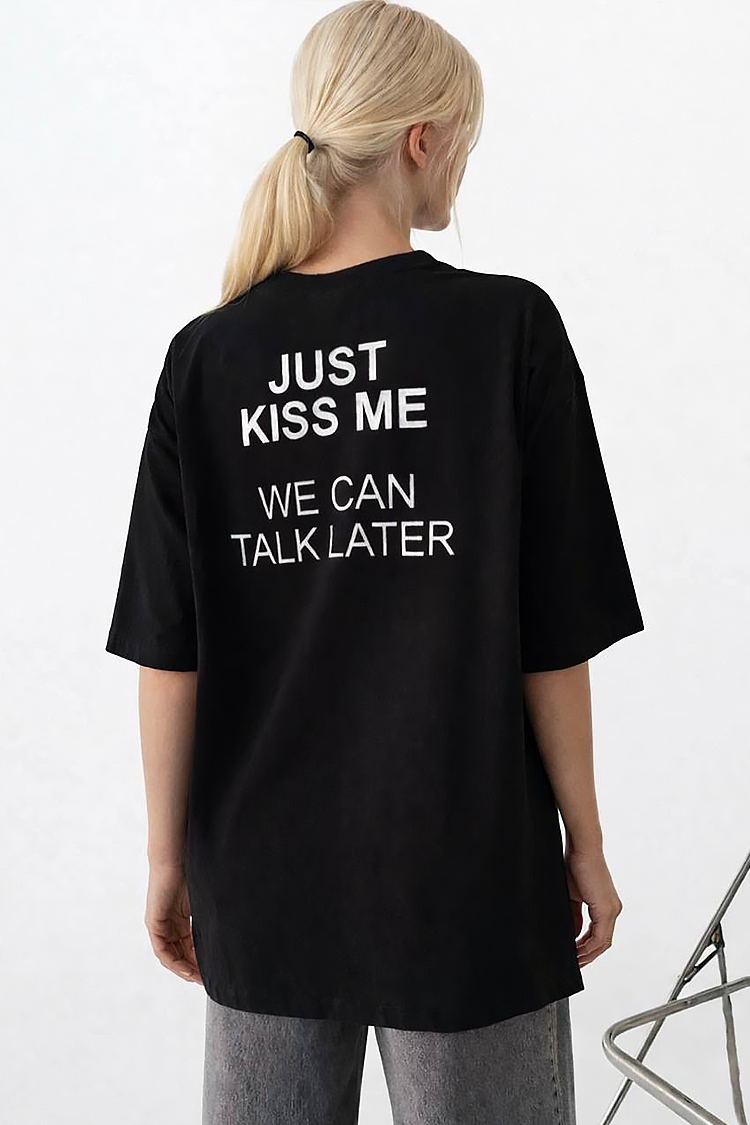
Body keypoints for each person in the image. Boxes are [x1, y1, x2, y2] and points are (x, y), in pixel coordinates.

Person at [105, 2, 644, 1122]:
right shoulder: (507, 331)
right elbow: (553, 633)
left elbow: (169, 648)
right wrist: (585, 840)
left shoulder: (206, 359)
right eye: (466, 141)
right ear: (422, 140)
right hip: (465, 876)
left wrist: (166, 859)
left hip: (259, 875)